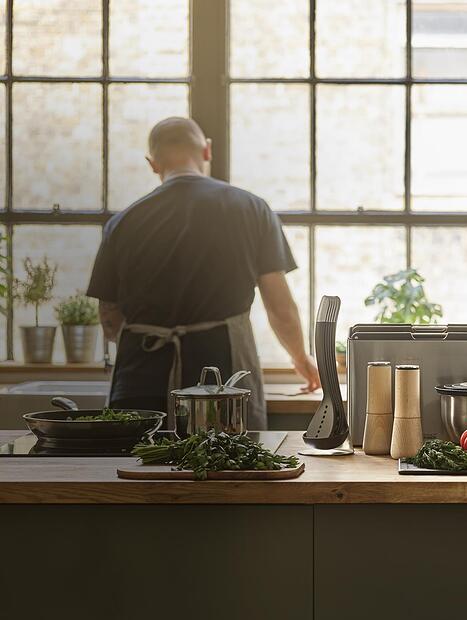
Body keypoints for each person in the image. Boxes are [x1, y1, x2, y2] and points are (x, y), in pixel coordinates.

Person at [87, 117, 319, 430]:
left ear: (153, 164)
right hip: (222, 379)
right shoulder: (252, 209)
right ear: (207, 151)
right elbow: (280, 307)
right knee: (227, 469)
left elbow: (109, 313)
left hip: (140, 378)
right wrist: (300, 358)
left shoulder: (123, 222)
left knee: (139, 468)